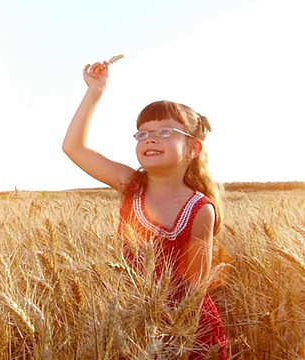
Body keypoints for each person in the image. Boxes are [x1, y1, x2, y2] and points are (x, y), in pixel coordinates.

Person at [62, 59, 228, 359]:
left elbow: (195, 288)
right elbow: (74, 148)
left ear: (193, 149)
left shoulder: (200, 209)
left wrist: (170, 330)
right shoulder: (130, 185)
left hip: (187, 330)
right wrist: (95, 92)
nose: (150, 137)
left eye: (166, 132)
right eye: (143, 132)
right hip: (135, 321)